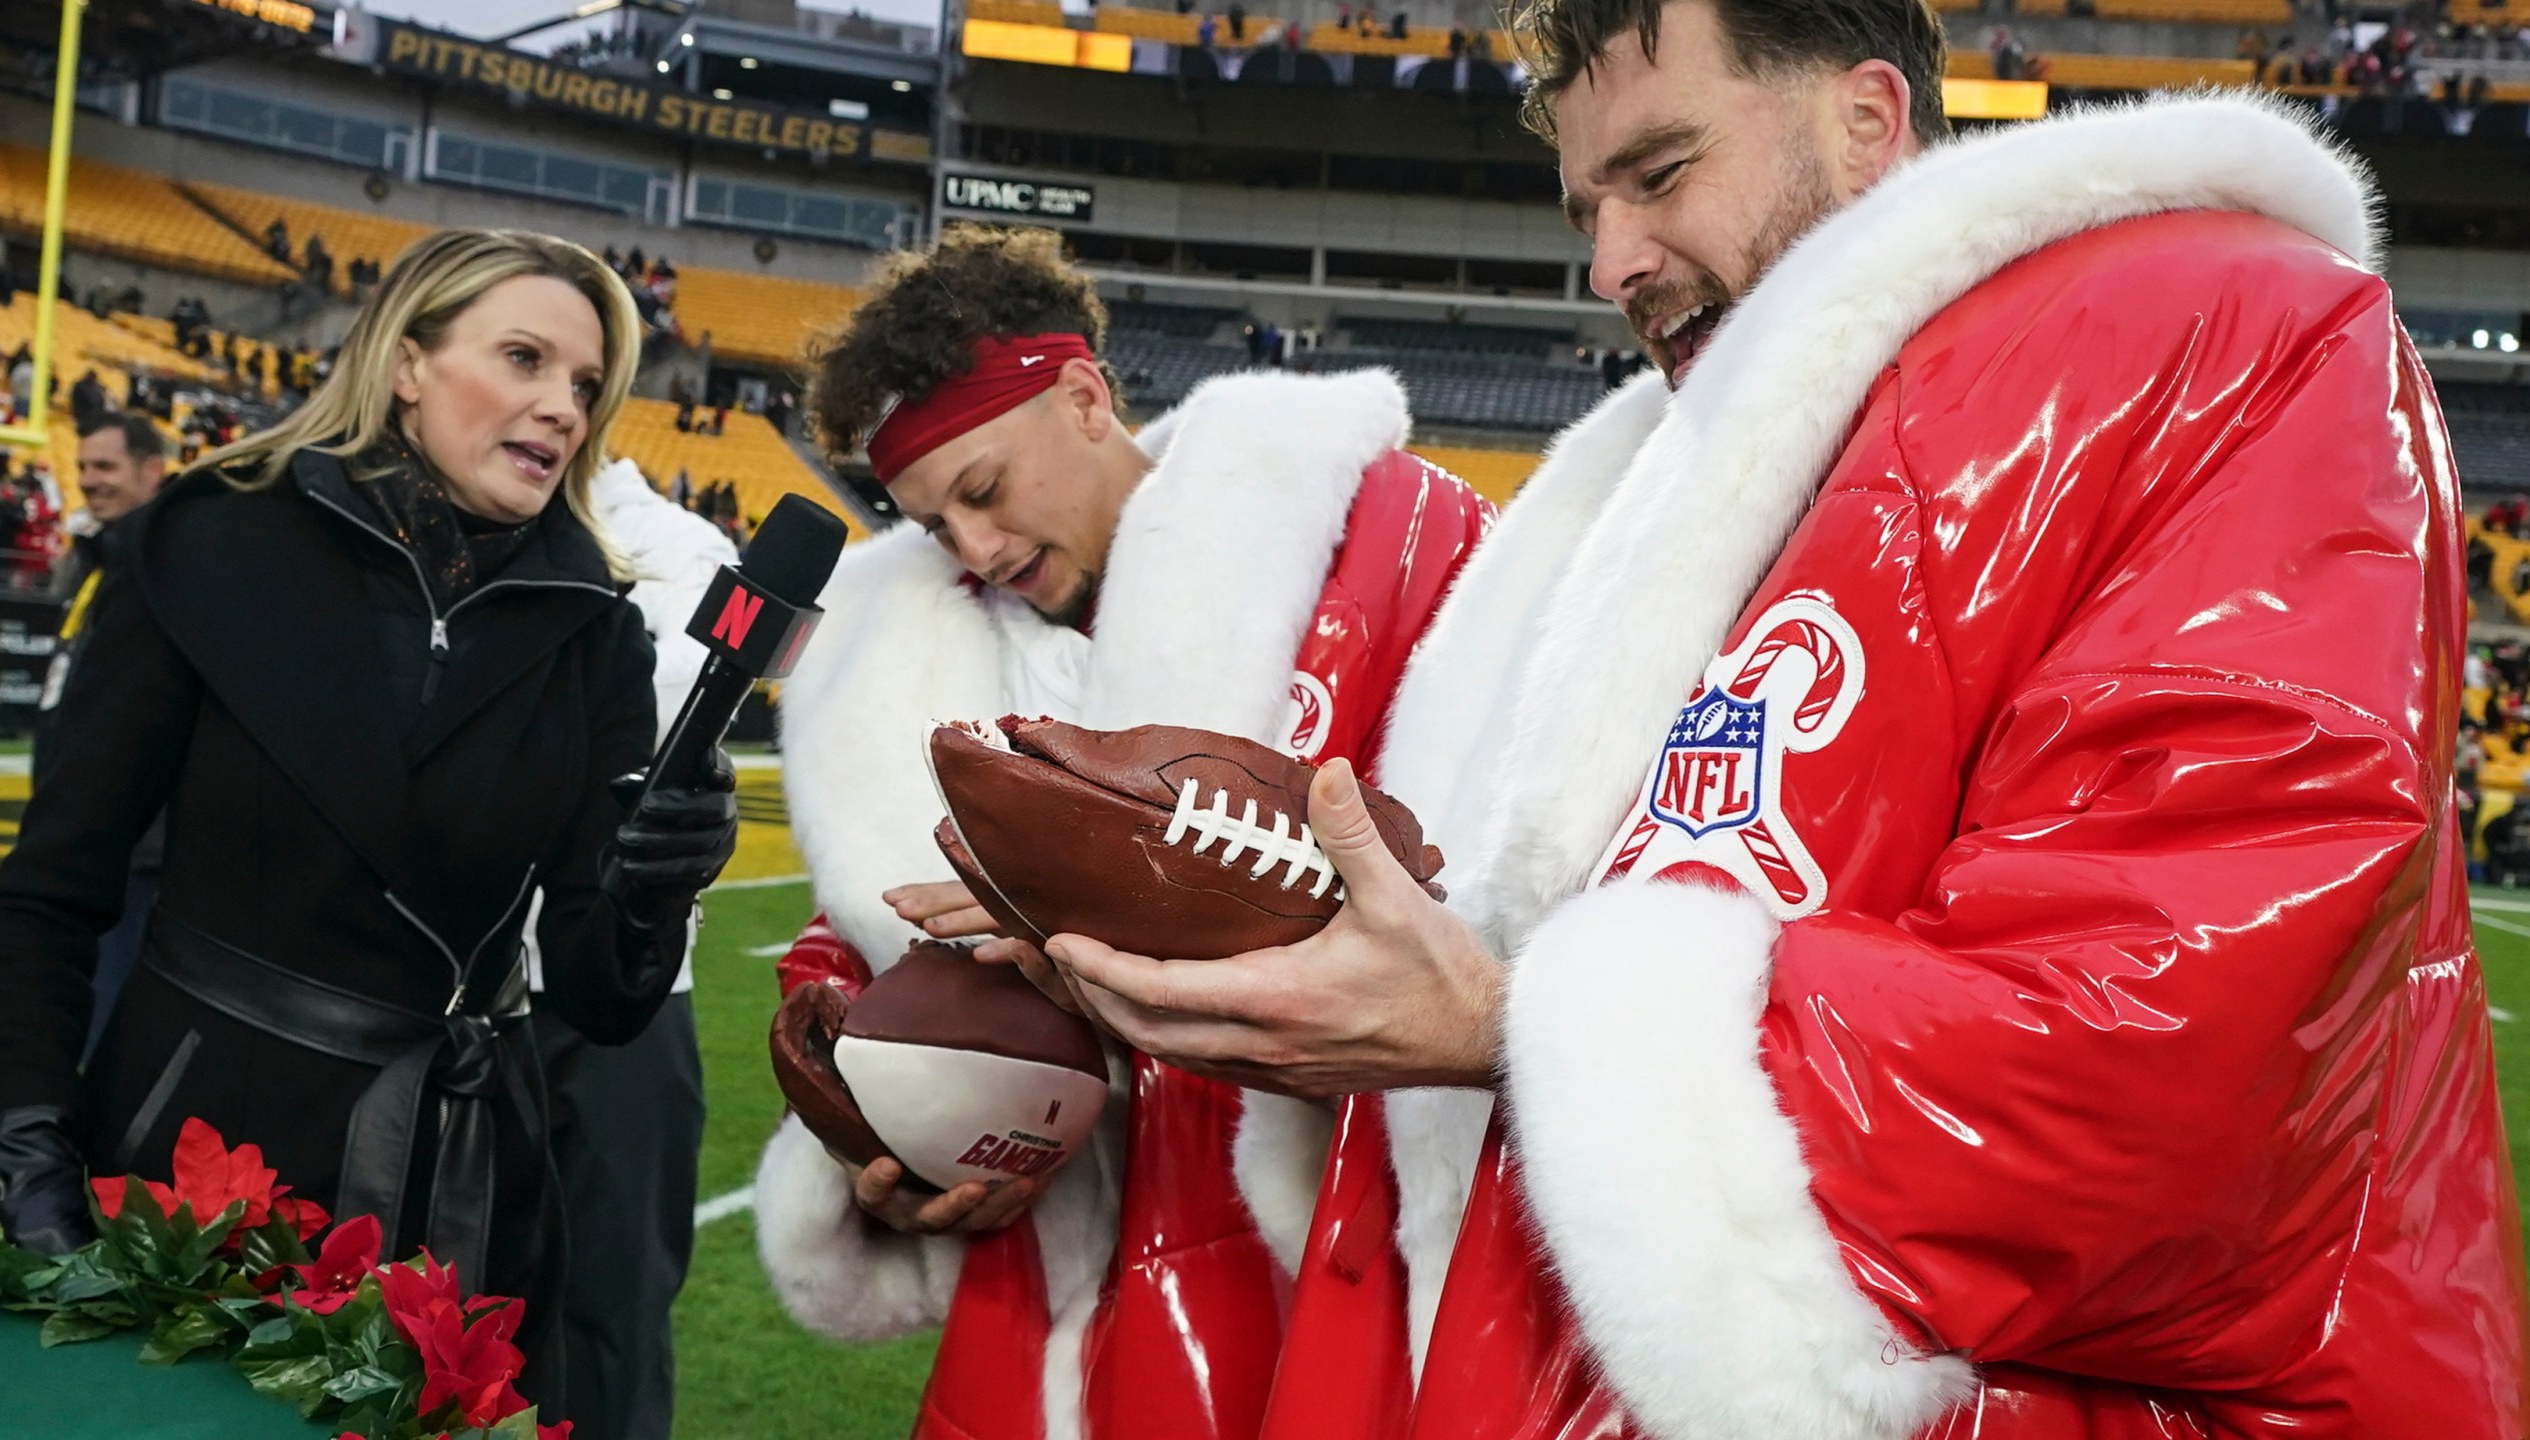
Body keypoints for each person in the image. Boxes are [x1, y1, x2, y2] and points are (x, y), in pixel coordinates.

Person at [1039, 1, 2530, 1437]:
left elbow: (2185, 1035)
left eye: (1663, 172)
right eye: (1584, 215)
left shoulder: (2218, 324)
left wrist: (1507, 1029)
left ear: (1868, 119)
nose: (1616, 261)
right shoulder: (1647, 492)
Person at [0, 229, 739, 1414]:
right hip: (198, 1171)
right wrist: (28, 1139)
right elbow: (51, 890)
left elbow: (598, 990)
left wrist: (653, 888)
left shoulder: (600, 630)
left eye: (586, 385)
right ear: (408, 362)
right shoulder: (203, 543)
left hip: (465, 1202)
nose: (561, 407)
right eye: (524, 358)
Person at [751, 223, 1489, 1440]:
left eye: (983, 491)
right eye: (938, 527)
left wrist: (1083, 898)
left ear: (1084, 396)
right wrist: (865, 1109)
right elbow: (859, 934)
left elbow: (1490, 863)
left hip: (1324, 1229)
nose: (977, 551)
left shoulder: (1380, 548)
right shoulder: (915, 665)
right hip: (1052, 1287)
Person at [529, 455, 738, 1440]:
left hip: (618, 995)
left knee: (608, 1313)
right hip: (437, 989)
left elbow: (648, 737)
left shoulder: (683, 549)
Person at [49, 412, 175, 1058]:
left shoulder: (170, 565)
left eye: (105, 466)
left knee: (108, 1032)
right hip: (90, 841)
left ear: (151, 470)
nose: (88, 481)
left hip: (137, 849)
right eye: (83, 467)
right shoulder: (99, 560)